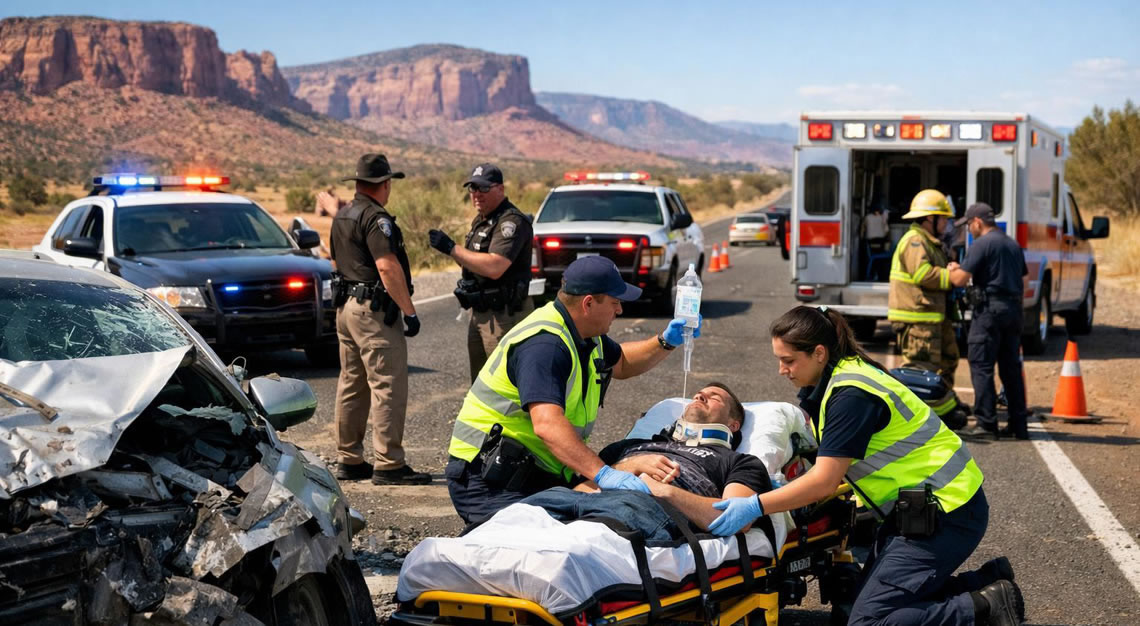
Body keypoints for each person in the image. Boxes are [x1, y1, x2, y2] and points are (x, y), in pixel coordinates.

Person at [708, 306, 1024, 626]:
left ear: (819, 352)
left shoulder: (850, 395)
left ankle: (983, 607)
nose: (781, 370)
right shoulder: (841, 375)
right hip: (924, 507)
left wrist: (756, 505)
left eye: (788, 360)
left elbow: (824, 481)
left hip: (948, 511)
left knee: (867, 621)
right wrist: (787, 489)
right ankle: (986, 583)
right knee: (866, 602)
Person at [445, 255, 703, 524]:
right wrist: (604, 474)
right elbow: (547, 424)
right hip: (488, 479)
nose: (620, 310)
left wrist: (665, 341)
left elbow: (622, 363)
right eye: (615, 302)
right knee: (548, 544)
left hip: (530, 472)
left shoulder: (584, 334)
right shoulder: (545, 346)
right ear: (588, 303)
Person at [516, 383, 770, 541]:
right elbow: (578, 492)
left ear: (733, 425)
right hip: (575, 502)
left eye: (714, 397)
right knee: (512, 520)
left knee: (574, 544)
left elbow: (738, 519)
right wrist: (625, 468)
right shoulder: (629, 447)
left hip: (637, 512)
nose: (700, 395)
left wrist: (663, 490)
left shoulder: (740, 462)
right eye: (699, 393)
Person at [328, 154, 430, 486]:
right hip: (373, 311)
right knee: (387, 385)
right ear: (384, 184)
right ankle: (388, 464)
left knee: (352, 384)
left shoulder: (342, 215)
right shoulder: (376, 219)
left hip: (346, 309)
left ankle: (350, 458)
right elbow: (387, 267)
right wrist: (409, 310)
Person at [428, 164, 535, 382]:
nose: (476, 194)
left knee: (504, 383)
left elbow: (495, 267)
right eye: (472, 188)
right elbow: (474, 264)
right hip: (480, 313)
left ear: (500, 189)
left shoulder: (510, 222)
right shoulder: (481, 221)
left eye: (483, 188)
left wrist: (451, 248)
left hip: (505, 315)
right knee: (481, 385)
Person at [948, 203, 1030, 440]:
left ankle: (986, 424)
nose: (969, 230)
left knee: (981, 365)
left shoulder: (981, 244)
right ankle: (1018, 424)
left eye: (969, 225)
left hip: (989, 312)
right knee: (1011, 369)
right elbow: (1024, 276)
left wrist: (953, 268)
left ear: (977, 223)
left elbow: (960, 280)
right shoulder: (1012, 243)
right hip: (1014, 310)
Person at [888, 189, 959, 384]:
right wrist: (951, 276)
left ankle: (944, 406)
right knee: (921, 371)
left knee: (948, 360)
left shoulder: (930, 242)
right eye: (943, 219)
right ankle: (923, 411)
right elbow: (922, 274)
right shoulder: (915, 241)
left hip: (932, 317)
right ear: (930, 218)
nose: (946, 224)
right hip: (918, 321)